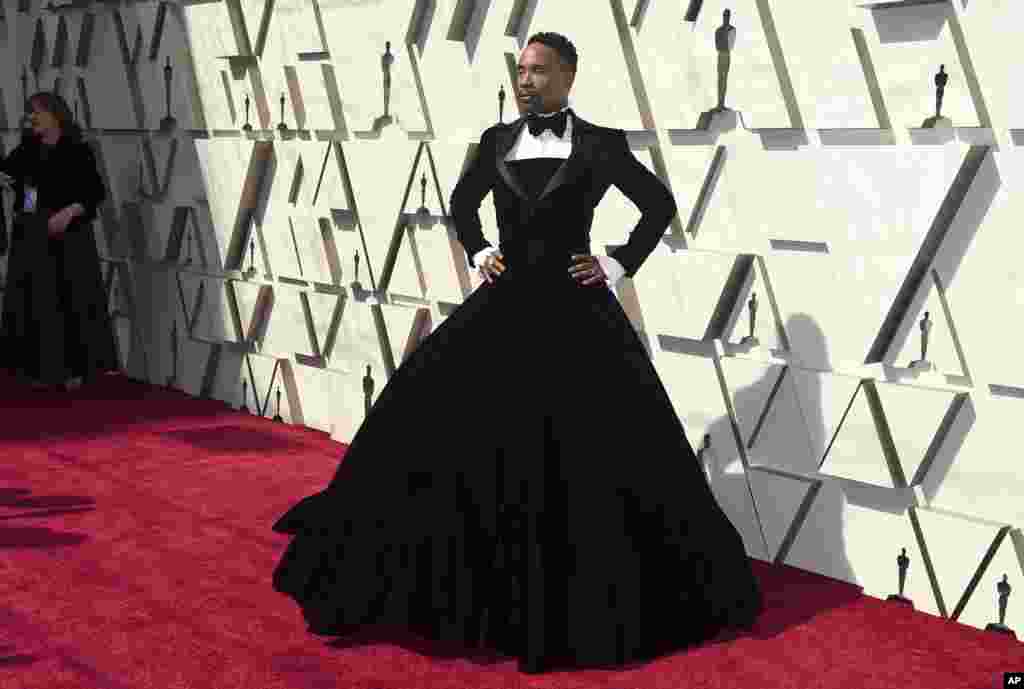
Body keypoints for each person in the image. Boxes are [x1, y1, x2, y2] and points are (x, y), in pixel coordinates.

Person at [271, 32, 763, 674]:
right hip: (503, 309)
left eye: (539, 71)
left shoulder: (602, 143)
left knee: (592, 448)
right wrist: (478, 251)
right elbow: (461, 203)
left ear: (568, 75)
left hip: (576, 316)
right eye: (521, 70)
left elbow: (658, 204)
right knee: (426, 418)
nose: (526, 80)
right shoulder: (494, 141)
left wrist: (615, 263)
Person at [0, 91, 119, 391]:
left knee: (72, 300)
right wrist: (24, 209)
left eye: (36, 113)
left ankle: (76, 369)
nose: (31, 119)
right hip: (35, 236)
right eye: (29, 115)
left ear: (55, 115)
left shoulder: (78, 150)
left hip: (70, 238)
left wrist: (68, 212)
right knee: (36, 302)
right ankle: (40, 369)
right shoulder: (27, 150)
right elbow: (22, 184)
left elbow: (93, 193)